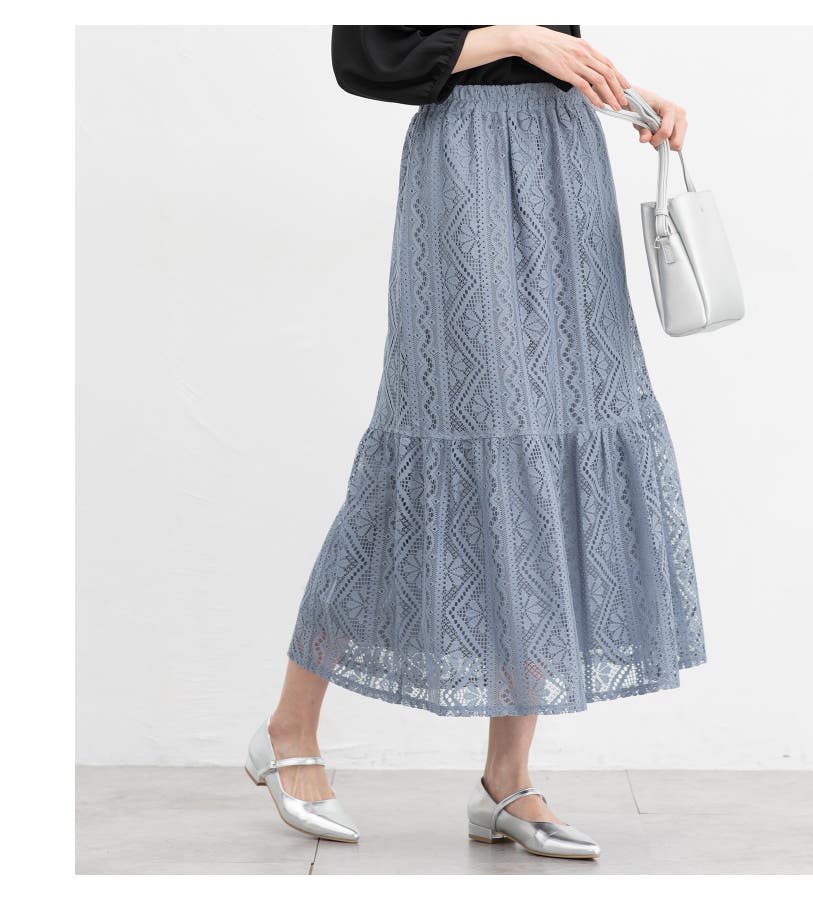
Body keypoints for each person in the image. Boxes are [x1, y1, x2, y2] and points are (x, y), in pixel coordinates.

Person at [246, 25, 705, 861]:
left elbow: (542, 44)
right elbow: (367, 52)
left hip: (566, 159)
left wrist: (624, 92)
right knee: (441, 446)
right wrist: (518, 36)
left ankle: (506, 780)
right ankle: (289, 727)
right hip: (463, 169)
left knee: (551, 447)